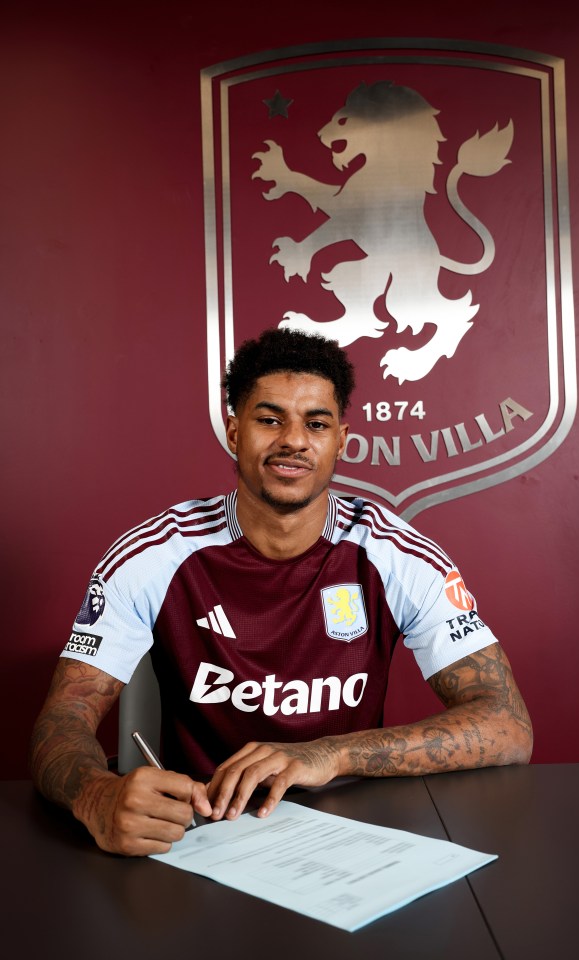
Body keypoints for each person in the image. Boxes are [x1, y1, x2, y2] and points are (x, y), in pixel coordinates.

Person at [30, 327, 533, 856]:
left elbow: (507, 723)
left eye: (315, 424)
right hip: (198, 833)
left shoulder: (394, 554)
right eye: (269, 420)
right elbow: (63, 718)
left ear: (340, 439)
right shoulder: (153, 555)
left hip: (350, 831)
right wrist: (95, 796)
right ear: (233, 431)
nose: (293, 440)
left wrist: (330, 754)